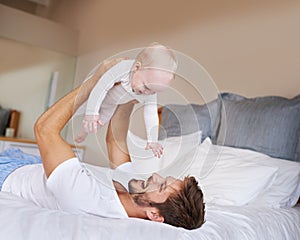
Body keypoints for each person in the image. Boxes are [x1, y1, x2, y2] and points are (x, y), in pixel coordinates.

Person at [0, 58, 205, 230]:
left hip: (8, 171)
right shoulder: (133, 191)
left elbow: (45, 129)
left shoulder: (89, 200)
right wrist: (130, 95)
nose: (155, 176)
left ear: (154, 214)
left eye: (161, 186)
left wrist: (95, 81)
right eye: (164, 178)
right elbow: (115, 141)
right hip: (32, 163)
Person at [75, 43, 178, 158]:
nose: (147, 93)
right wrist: (91, 113)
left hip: (112, 104)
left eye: (154, 92)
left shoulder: (149, 90)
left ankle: (84, 132)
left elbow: (151, 114)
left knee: (100, 121)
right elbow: (101, 88)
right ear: (136, 68)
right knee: (77, 109)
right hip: (94, 95)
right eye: (146, 87)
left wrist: (152, 140)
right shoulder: (123, 69)